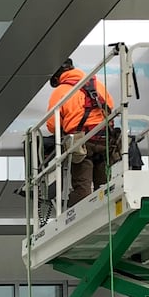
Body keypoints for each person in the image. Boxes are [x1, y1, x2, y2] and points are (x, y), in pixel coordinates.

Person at [46, 58, 120, 207]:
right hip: (105, 140)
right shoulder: (98, 86)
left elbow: (53, 125)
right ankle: (107, 210)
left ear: (56, 77)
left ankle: (80, 215)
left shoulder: (61, 91)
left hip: (82, 143)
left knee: (82, 187)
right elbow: (110, 108)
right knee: (104, 185)